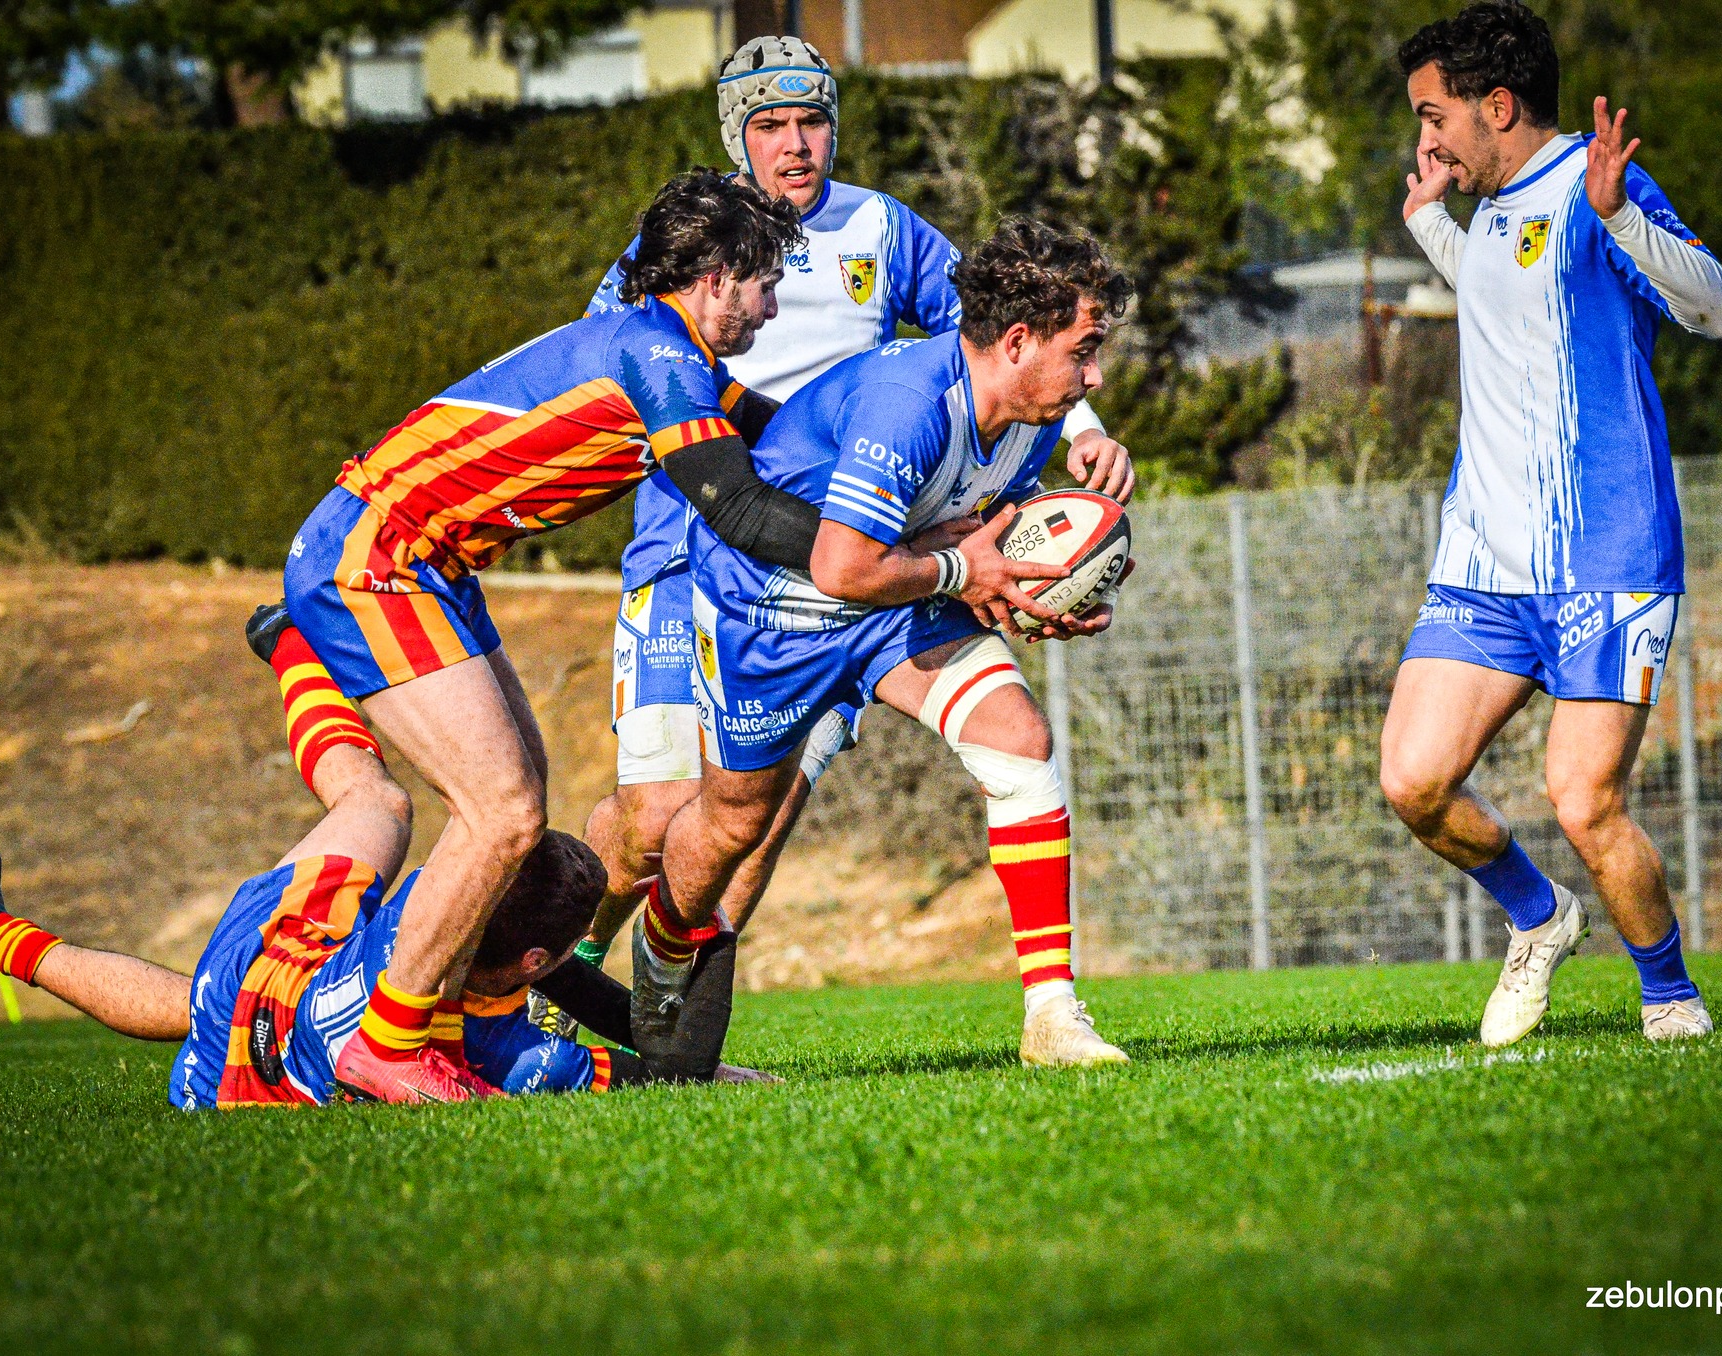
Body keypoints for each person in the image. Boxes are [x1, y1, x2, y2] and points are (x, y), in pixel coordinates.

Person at [549, 36, 1134, 1041]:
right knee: (656, 816)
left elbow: (1012, 332)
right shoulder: (681, 247)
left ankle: (667, 1020)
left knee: (760, 816)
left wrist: (1073, 440)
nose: (796, 143)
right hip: (695, 548)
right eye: (770, 125)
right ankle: (559, 968)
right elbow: (599, 370)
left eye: (812, 120)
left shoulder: (883, 229)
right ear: (737, 135)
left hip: (864, 556)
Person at [269, 168, 827, 1103]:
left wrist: (944, 476)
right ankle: (388, 1045)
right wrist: (928, 568)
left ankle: (453, 1030)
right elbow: (741, 508)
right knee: (505, 814)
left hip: (425, 561)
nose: (771, 309)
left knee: (515, 827)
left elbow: (792, 441)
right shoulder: (660, 355)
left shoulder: (669, 356)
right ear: (718, 274)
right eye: (765, 283)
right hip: (378, 553)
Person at [643, 218, 1136, 1069]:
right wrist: (965, 573)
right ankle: (661, 950)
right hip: (769, 617)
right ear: (1017, 341)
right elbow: (843, 565)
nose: (1092, 378)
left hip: (893, 602)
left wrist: (1035, 600)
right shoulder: (910, 403)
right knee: (733, 824)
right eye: (1083, 351)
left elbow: (971, 553)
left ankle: (1052, 1018)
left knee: (1018, 740)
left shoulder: (1032, 421)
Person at [1379, 1, 1722, 1046]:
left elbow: (1716, 310)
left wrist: (1623, 216)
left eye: (1433, 112)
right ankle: (1538, 920)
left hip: (1605, 555)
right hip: (1483, 564)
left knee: (1582, 803)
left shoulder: (1598, 185)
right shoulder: (1486, 204)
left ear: (1497, 104)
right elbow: (1499, 293)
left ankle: (1670, 1000)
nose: (1425, 137)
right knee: (1412, 782)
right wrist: (1427, 224)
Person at [0, 759, 645, 1107]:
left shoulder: (427, 899)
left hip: (274, 955)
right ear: (532, 959)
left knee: (376, 799)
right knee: (194, 1003)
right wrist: (751, 1079)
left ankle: (294, 645)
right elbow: (659, 1076)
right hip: (235, 1080)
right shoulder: (515, 1058)